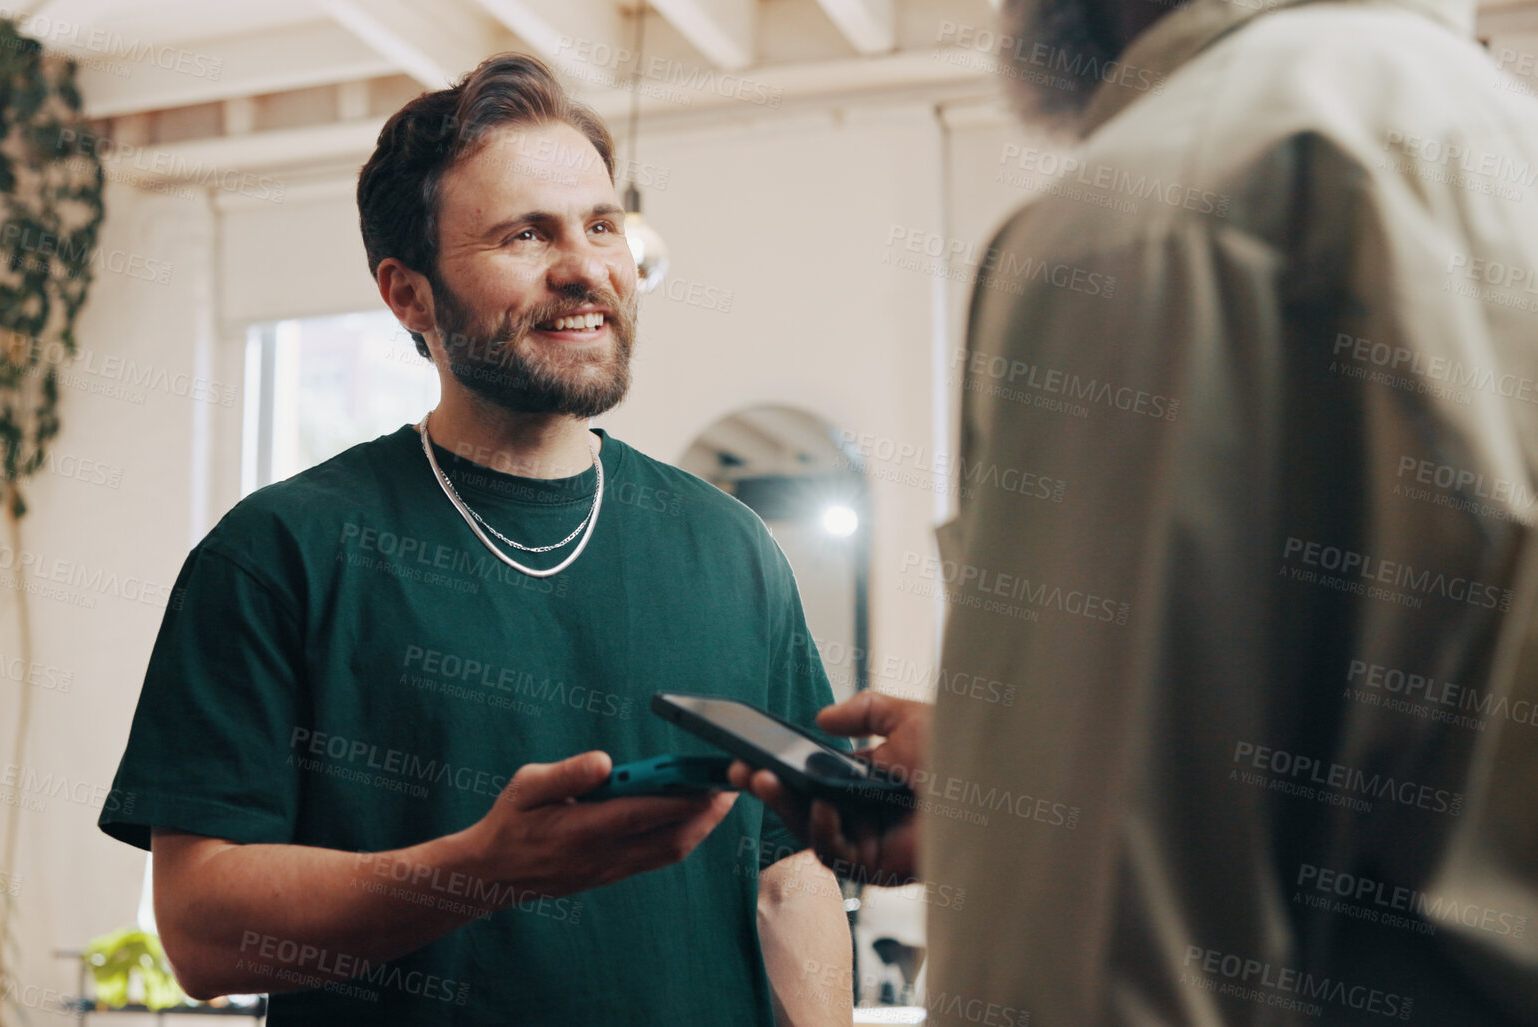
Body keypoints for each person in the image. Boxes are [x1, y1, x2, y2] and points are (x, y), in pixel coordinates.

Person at [736, 0, 1538, 1023]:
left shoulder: (1156, 219)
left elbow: (1095, 962)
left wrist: (1040, 831)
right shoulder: (1500, 148)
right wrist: (1003, 797)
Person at [97, 54, 853, 1026]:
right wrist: (478, 872)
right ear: (408, 294)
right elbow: (201, 930)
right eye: (526, 233)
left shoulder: (734, 550)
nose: (585, 266)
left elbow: (789, 880)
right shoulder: (278, 554)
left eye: (601, 223)